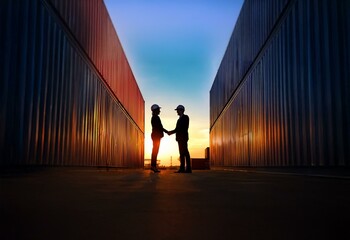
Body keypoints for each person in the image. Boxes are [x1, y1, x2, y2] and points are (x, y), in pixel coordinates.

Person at [168, 105, 192, 173]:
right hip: (179, 138)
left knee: (185, 152)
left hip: (183, 137)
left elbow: (181, 128)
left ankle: (188, 168)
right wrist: (171, 132)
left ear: (181, 110)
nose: (177, 112)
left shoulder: (185, 117)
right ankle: (182, 168)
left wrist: (171, 132)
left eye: (177, 110)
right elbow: (177, 129)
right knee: (181, 153)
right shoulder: (179, 119)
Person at [150, 104, 168, 173]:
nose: (159, 111)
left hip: (155, 136)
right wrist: (167, 132)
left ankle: (153, 166)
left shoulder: (154, 117)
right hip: (156, 136)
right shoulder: (156, 117)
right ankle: (153, 166)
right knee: (155, 151)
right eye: (158, 110)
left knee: (155, 151)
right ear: (155, 110)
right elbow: (159, 127)